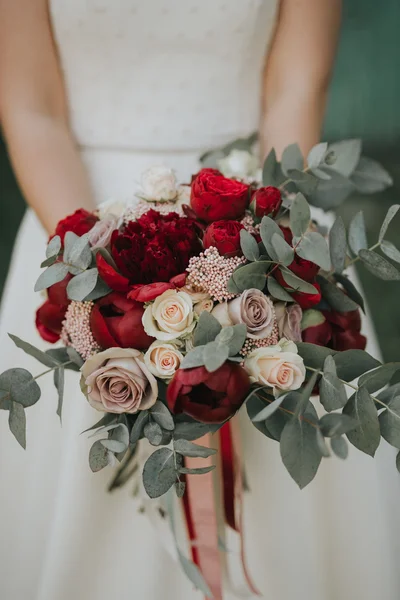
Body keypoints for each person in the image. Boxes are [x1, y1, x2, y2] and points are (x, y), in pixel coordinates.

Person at [0, 1, 399, 599]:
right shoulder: (84, 257)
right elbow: (33, 109)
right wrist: (97, 278)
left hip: (256, 208)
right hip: (77, 223)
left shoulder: (260, 239)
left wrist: (256, 263)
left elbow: (295, 86)